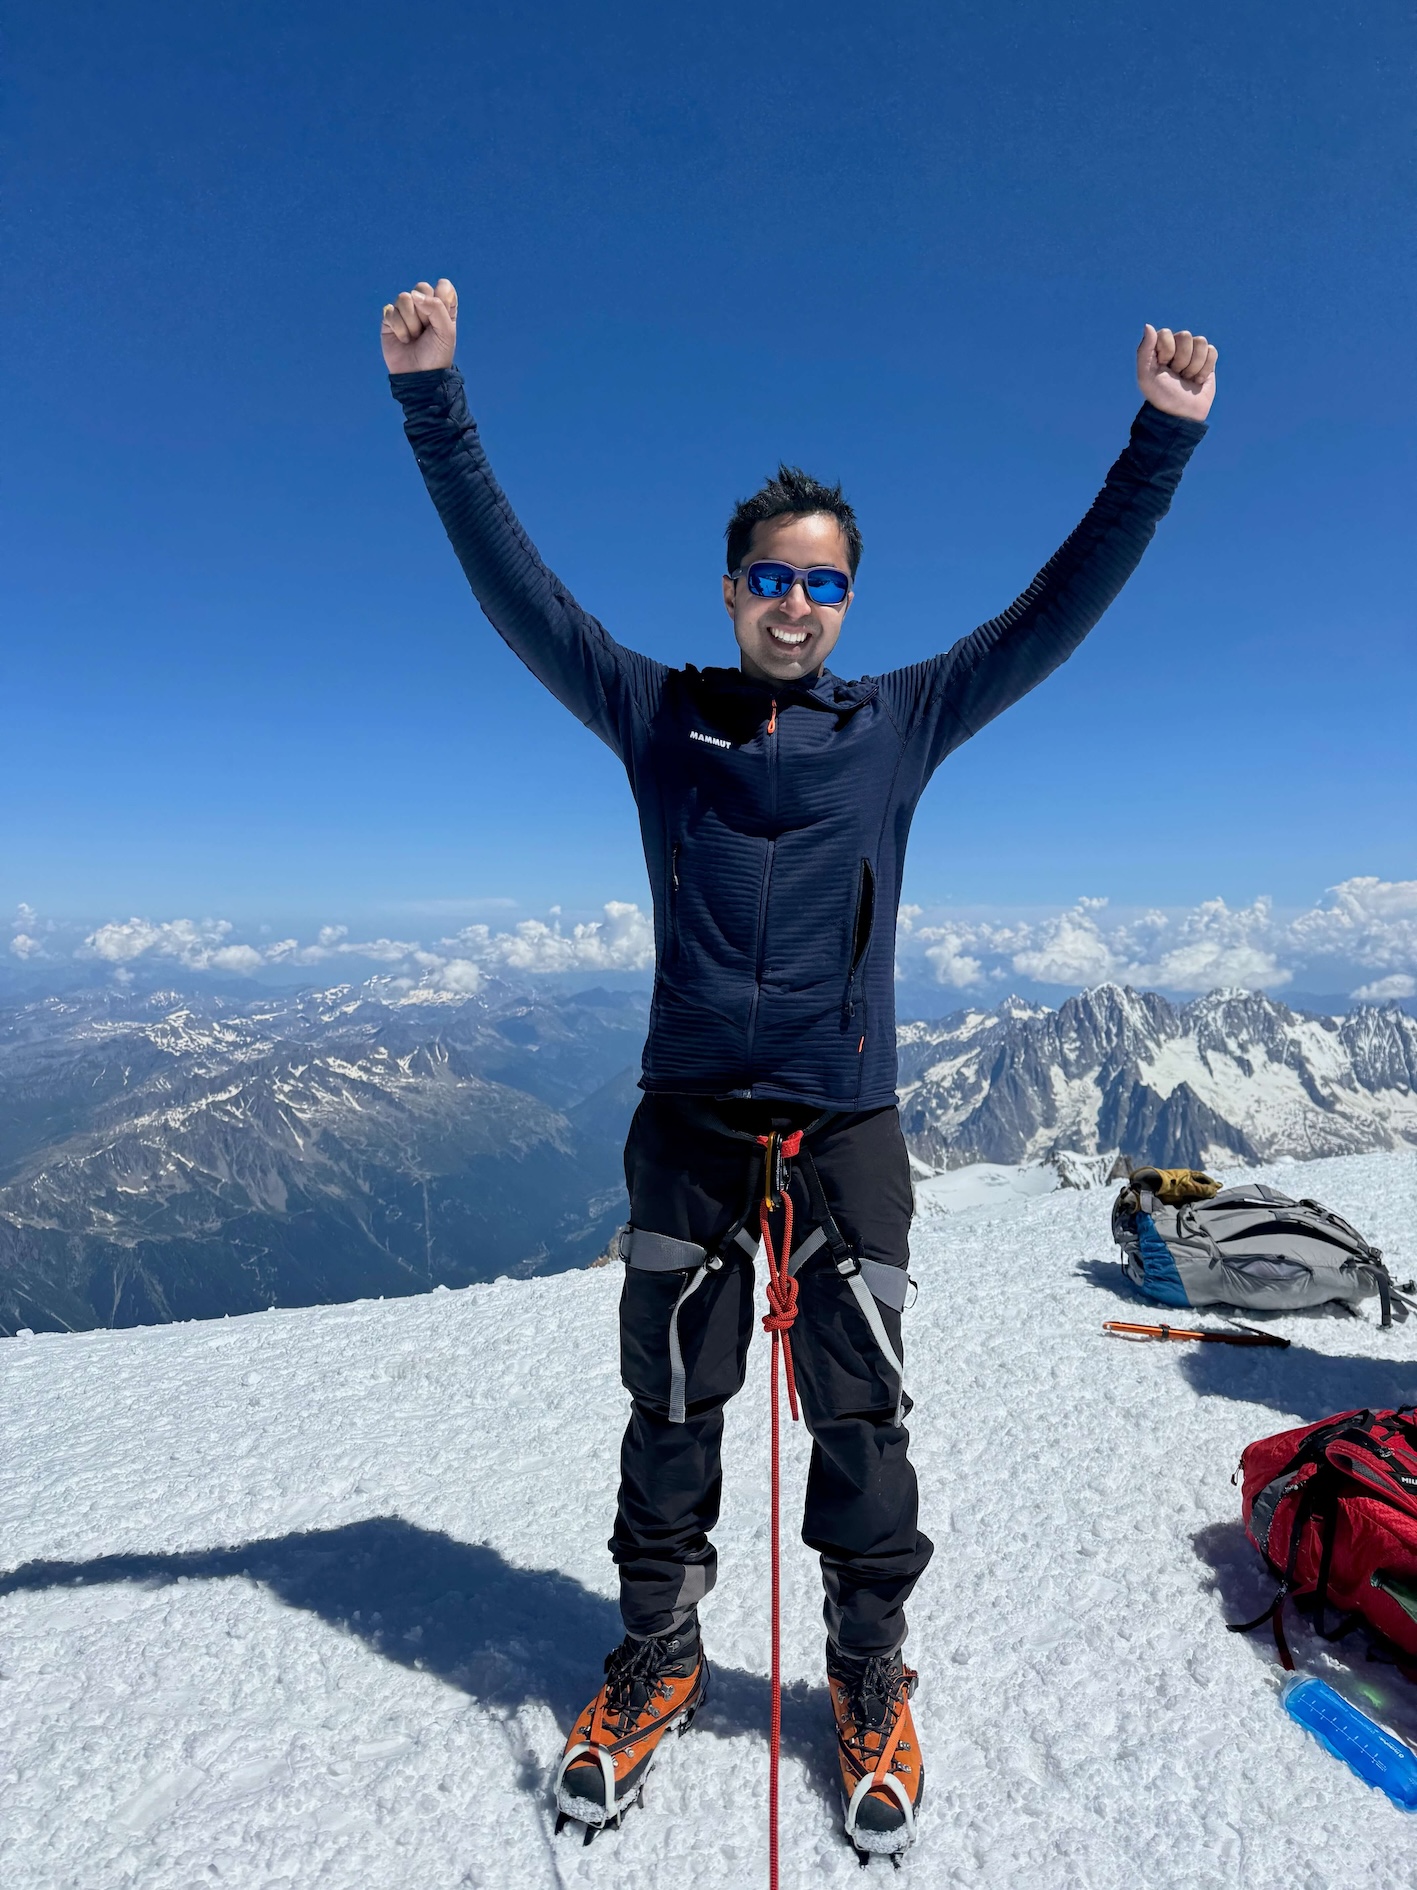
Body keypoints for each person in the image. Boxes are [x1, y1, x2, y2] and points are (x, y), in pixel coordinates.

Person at [380, 280, 1215, 1856]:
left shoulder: (898, 723)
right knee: (671, 1411)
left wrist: (1156, 443)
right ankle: (654, 1653)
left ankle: (864, 1673)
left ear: (844, 600)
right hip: (688, 1122)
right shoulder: (655, 715)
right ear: (727, 590)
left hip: (844, 1126)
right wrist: (435, 399)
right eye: (768, 576)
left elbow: (1051, 612)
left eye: (819, 582)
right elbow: (518, 593)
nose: (792, 601)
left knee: (860, 1419)